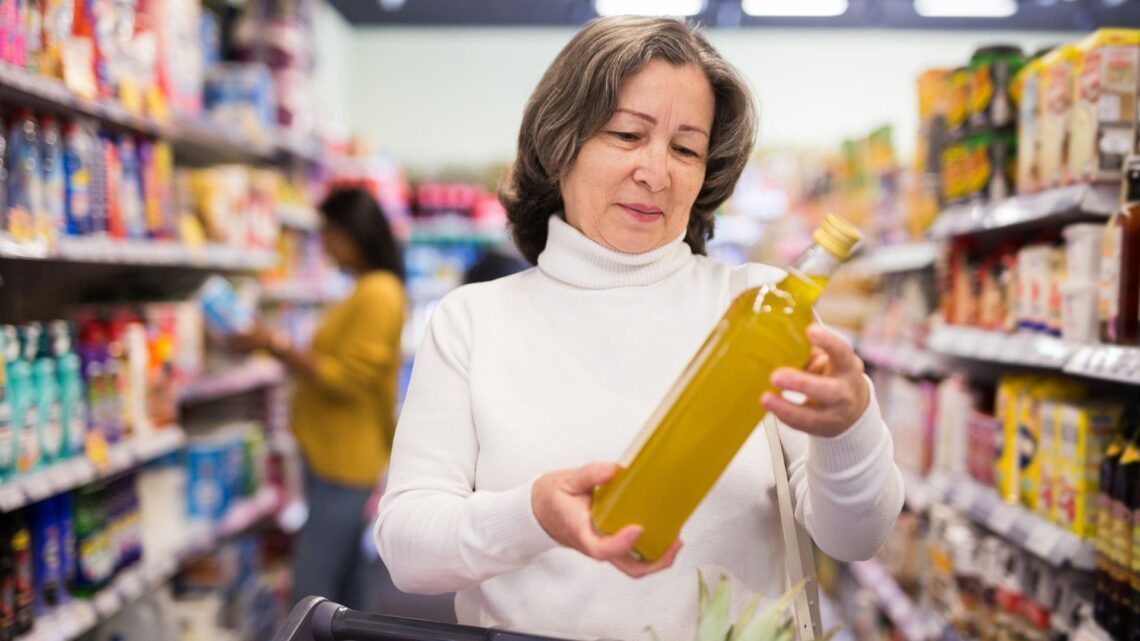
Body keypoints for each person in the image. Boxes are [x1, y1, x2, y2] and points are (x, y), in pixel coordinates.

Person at [374, 16, 903, 641]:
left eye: (686, 148)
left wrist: (848, 425)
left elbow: (857, 539)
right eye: (628, 135)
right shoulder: (474, 322)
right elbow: (407, 551)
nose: (657, 173)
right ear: (559, 141)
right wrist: (533, 514)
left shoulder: (758, 308)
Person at [231, 187, 407, 612]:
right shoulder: (365, 288)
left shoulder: (379, 293)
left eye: (330, 233)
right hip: (333, 456)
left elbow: (346, 379)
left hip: (346, 461)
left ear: (355, 233)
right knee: (345, 582)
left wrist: (275, 344)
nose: (325, 245)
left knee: (312, 587)